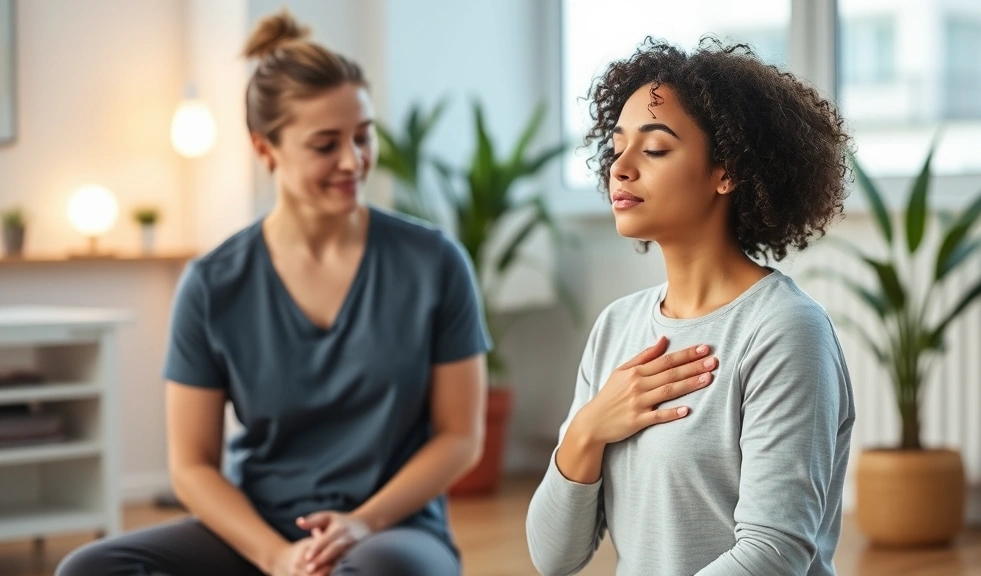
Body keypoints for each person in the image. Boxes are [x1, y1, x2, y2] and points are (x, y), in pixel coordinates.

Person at [57, 10, 489, 576]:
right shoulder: (213, 284)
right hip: (256, 531)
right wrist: (276, 556)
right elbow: (192, 466)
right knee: (88, 569)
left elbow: (461, 436)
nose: (352, 161)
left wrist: (363, 522)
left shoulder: (434, 263)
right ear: (265, 149)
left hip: (392, 531)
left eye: (363, 136)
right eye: (324, 144)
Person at [526, 38, 856, 576]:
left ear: (726, 172)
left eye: (654, 149)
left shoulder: (785, 331)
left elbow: (774, 554)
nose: (621, 169)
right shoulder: (617, 327)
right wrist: (588, 428)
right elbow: (552, 556)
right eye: (617, 148)